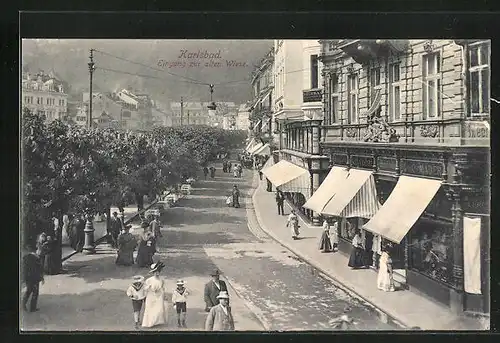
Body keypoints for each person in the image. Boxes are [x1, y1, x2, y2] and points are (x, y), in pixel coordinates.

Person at [142, 262, 169, 328]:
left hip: (159, 295)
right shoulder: (149, 280)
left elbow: (163, 288)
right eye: (156, 272)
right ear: (153, 273)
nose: (157, 273)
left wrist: (164, 295)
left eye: (158, 272)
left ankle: (157, 321)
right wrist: (149, 288)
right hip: (151, 296)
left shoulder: (161, 280)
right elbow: (145, 288)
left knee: (159, 309)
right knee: (150, 309)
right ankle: (150, 323)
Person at [22, 245, 44, 312]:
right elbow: (39, 270)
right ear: (35, 250)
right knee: (35, 293)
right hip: (35, 278)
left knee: (28, 291)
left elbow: (24, 269)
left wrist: (24, 278)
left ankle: (22, 304)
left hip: (28, 277)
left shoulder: (25, 257)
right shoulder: (37, 258)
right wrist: (41, 278)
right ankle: (32, 308)